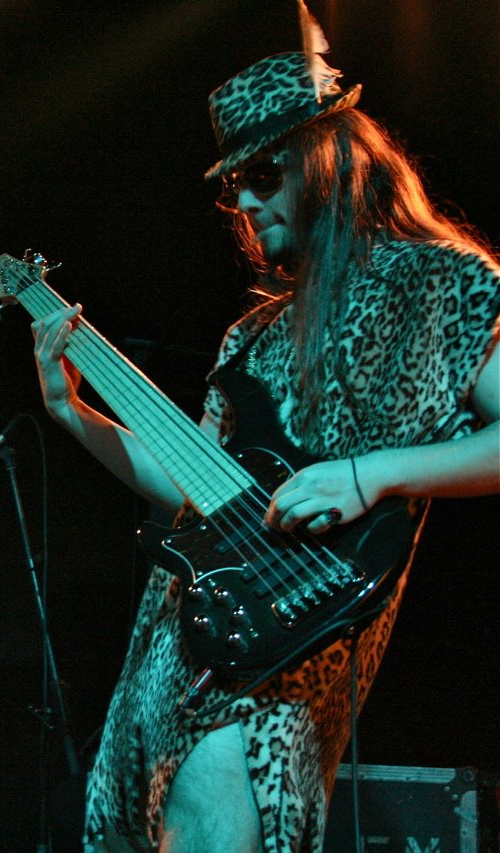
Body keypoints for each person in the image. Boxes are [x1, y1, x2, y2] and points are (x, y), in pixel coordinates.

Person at [30, 50, 500, 851]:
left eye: (263, 175)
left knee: (228, 780)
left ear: (331, 162)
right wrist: (69, 411)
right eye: (234, 187)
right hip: (197, 621)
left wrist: (371, 474)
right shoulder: (250, 338)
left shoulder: (442, 281)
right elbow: (190, 486)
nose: (245, 203)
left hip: (305, 621)